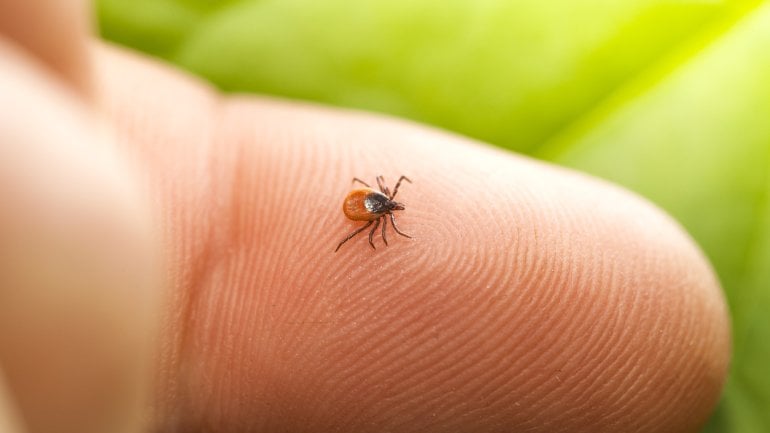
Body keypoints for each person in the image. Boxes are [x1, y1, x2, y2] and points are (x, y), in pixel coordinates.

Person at [0, 1, 729, 432]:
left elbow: (363, 204)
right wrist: (379, 220)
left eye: (387, 207)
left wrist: (373, 210)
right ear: (383, 206)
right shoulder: (374, 212)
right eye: (389, 206)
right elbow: (366, 210)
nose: (388, 209)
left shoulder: (370, 204)